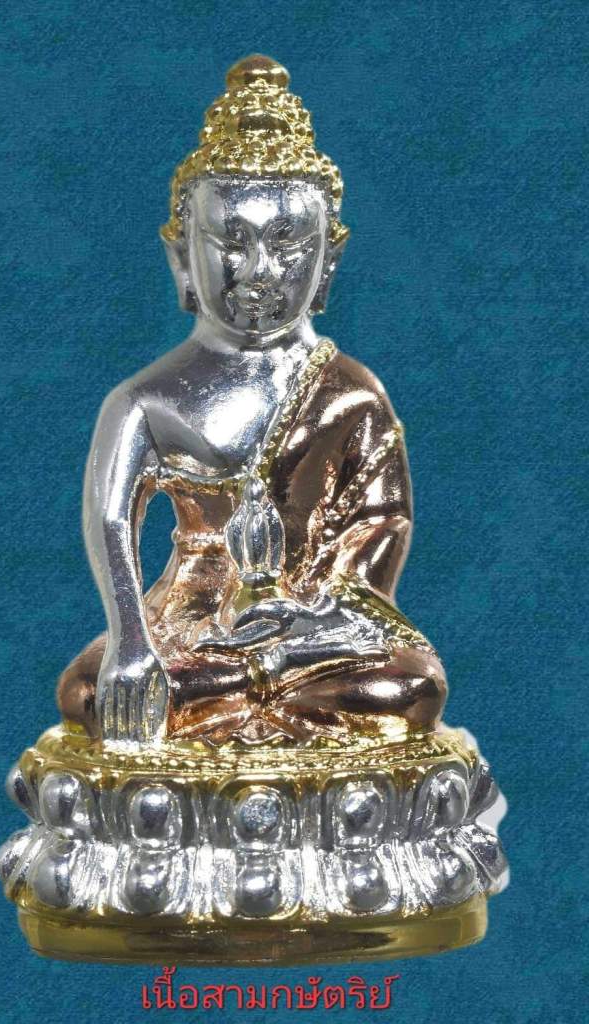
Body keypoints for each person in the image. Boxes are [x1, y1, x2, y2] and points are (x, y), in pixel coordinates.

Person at [57, 56, 446, 746]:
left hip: (315, 629)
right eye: (231, 242)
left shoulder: (350, 392)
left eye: (288, 243)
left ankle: (243, 687)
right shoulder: (144, 399)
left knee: (410, 687)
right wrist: (132, 641)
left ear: (328, 260)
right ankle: (240, 689)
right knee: (89, 692)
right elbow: (110, 523)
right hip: (190, 624)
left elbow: (380, 524)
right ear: (182, 258)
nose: (261, 271)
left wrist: (313, 615)